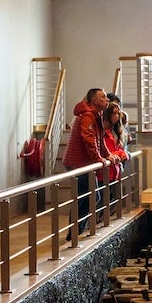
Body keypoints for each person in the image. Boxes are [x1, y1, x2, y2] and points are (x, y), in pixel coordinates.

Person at [62, 87, 109, 230]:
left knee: (91, 197)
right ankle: (75, 232)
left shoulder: (95, 114)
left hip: (83, 162)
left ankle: (77, 230)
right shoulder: (88, 115)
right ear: (93, 100)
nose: (106, 100)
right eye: (103, 97)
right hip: (78, 162)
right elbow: (89, 139)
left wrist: (107, 155)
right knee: (86, 197)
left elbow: (99, 139)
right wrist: (98, 158)